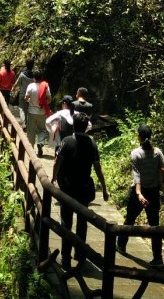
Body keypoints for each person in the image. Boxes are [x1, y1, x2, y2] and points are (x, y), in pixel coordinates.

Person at [52, 112, 109, 268]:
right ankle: (80, 254)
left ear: (73, 125)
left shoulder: (67, 141)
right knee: (82, 221)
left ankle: (65, 258)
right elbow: (98, 168)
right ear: (86, 127)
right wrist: (104, 187)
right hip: (84, 187)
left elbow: (58, 161)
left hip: (67, 187)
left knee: (66, 222)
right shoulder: (92, 144)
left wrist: (53, 177)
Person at [116, 125, 164, 268]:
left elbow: (137, 175)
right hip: (153, 192)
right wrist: (156, 170)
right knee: (154, 225)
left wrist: (139, 194)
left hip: (138, 193)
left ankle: (121, 246)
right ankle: (157, 259)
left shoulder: (136, 153)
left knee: (130, 219)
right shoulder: (157, 152)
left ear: (139, 136)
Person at [25, 70, 51, 157]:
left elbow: (26, 98)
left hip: (32, 111)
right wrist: (44, 104)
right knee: (42, 130)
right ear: (41, 77)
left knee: (31, 131)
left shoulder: (30, 86)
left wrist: (29, 101)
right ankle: (40, 143)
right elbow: (49, 98)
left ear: (34, 78)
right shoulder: (45, 86)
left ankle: (31, 150)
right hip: (42, 112)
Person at [12, 58, 35, 127]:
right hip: (31, 95)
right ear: (33, 66)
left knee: (22, 109)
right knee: (29, 109)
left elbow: (17, 83)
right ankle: (28, 124)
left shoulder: (22, 74)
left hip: (22, 94)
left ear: (26, 65)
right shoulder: (34, 76)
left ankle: (24, 123)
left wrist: (13, 89)